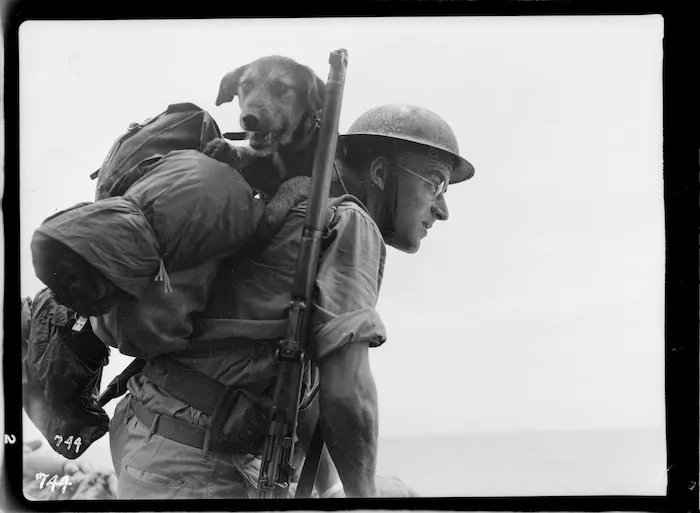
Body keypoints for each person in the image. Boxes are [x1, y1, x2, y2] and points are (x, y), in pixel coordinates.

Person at [108, 103, 475, 499]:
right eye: (434, 183)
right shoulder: (351, 223)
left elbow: (296, 373)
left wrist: (330, 487)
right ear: (382, 173)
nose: (443, 209)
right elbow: (347, 387)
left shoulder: (290, 206)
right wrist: (364, 501)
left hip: (147, 435)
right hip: (200, 468)